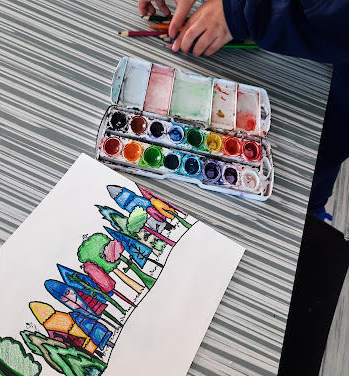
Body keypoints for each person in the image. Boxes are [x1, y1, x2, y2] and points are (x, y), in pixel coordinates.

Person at [138, 0, 349, 222]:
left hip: (326, 85)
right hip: (291, 37)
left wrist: (239, 10)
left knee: (309, 177)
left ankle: (313, 215)